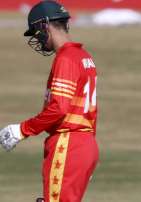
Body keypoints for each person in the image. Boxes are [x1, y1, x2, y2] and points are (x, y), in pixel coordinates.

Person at [0, 1, 98, 201]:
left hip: (68, 143)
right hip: (85, 143)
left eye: (36, 32)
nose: (37, 38)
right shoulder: (84, 56)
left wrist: (22, 130)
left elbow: (59, 109)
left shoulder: (66, 58)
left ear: (44, 26)